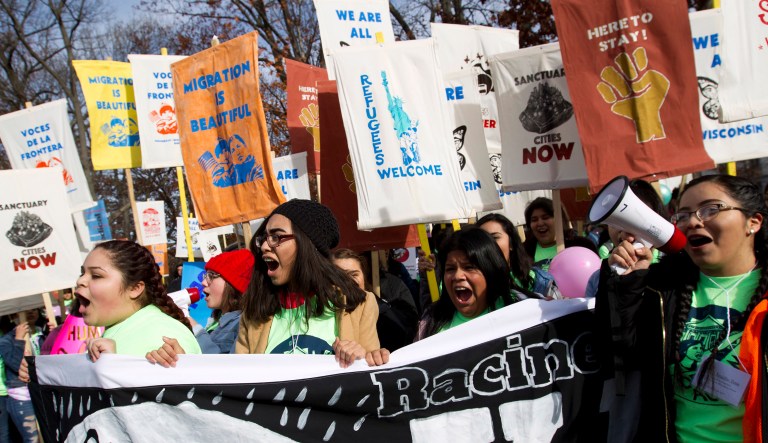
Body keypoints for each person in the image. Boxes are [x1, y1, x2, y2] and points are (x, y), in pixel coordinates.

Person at [596, 174, 768, 442]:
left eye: (711, 209)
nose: (694, 221)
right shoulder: (661, 287)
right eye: (683, 215)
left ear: (753, 222)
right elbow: (619, 355)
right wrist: (630, 283)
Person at [236, 199, 387, 368]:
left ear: (307, 245)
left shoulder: (358, 305)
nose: (264, 246)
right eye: (263, 238)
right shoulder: (254, 313)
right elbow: (241, 380)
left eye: (276, 237)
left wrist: (364, 358)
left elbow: (372, 379)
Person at [77, 240, 201, 360]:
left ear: (135, 288)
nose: (80, 281)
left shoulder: (165, 335)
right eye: (82, 274)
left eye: (96, 276)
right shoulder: (127, 327)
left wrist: (114, 365)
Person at [416, 227, 518, 340]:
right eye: (450, 269)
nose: (457, 276)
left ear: (490, 270)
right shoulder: (430, 323)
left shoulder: (519, 313)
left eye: (469, 267)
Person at [332, 249, 417, 352]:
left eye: (354, 274)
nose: (348, 281)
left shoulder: (372, 305)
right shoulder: (319, 308)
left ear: (364, 277)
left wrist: (376, 356)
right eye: (340, 276)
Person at [477, 213, 559, 299]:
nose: (488, 245)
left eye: (495, 237)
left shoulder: (543, 282)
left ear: (511, 243)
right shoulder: (468, 288)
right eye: (482, 240)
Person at [0, 310, 45, 442]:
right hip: (22, 395)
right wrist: (19, 340)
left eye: (33, 309)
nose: (30, 313)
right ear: (14, 316)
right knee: (32, 439)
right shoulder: (5, 341)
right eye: (25, 311)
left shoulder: (42, 333)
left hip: (42, 391)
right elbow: (16, 364)